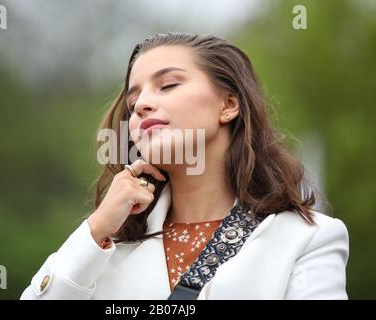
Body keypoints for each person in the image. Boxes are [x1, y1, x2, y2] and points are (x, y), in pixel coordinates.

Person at [20, 32, 349, 300]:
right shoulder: (105, 247)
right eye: (133, 104)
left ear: (228, 104)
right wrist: (97, 228)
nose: (142, 106)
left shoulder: (307, 239)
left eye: (168, 85)